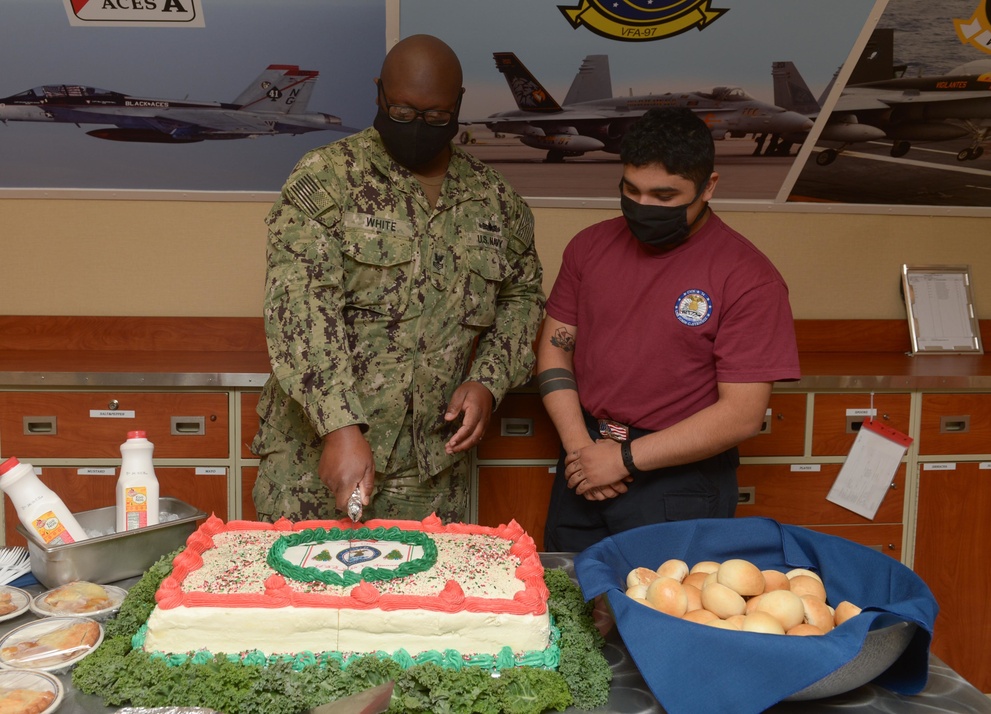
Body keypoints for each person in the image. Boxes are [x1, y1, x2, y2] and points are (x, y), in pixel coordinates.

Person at [251, 34, 544, 524]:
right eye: (403, 113)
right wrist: (338, 427)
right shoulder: (329, 177)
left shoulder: (494, 200)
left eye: (435, 117)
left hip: (430, 467)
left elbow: (523, 296)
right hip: (316, 460)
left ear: (458, 106)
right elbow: (300, 308)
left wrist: (487, 380)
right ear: (379, 95)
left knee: (421, 596)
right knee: (301, 595)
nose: (417, 127)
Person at [538, 106, 800, 553]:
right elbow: (555, 349)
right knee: (567, 607)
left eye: (664, 196)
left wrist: (622, 460)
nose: (643, 207)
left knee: (658, 618)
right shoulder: (589, 247)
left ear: (708, 186)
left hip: (678, 480)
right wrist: (582, 451)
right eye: (631, 190)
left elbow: (742, 414)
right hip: (585, 459)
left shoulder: (748, 277)